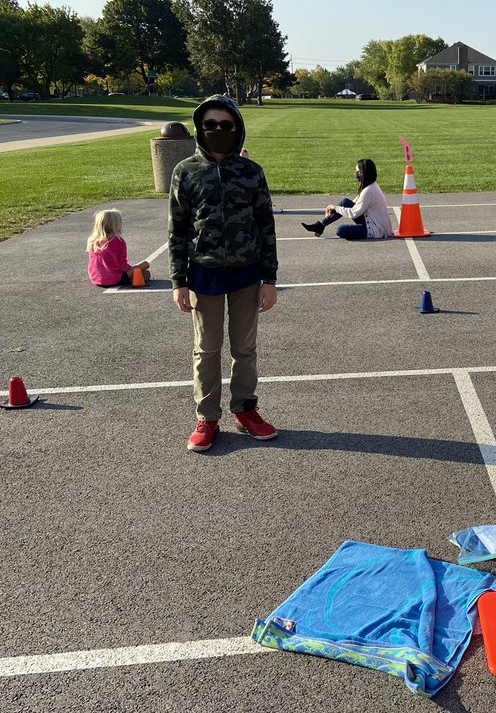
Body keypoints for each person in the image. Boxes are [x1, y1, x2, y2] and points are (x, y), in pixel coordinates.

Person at [168, 95, 279, 453]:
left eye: (226, 125)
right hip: (204, 275)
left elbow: (265, 226)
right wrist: (178, 281)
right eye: (211, 125)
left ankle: (245, 409)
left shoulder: (251, 172)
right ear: (200, 128)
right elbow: (177, 229)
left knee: (244, 349)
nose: (218, 130)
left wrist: (270, 279)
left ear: (238, 129)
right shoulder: (186, 172)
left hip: (247, 275)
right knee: (206, 350)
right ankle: (207, 417)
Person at [302, 159, 393, 239]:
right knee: (344, 201)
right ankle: (320, 225)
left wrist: (335, 207)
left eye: (357, 171)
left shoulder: (369, 191)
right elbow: (355, 202)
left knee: (340, 230)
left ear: (362, 172)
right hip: (373, 223)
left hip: (376, 230)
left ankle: (320, 226)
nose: (355, 173)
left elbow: (353, 213)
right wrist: (333, 208)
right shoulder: (371, 186)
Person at [86, 209, 151, 287]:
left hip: (95, 279)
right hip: (114, 280)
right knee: (145, 264)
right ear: (116, 224)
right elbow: (123, 266)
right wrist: (133, 269)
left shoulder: (93, 240)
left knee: (137, 270)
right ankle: (133, 278)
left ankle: (134, 276)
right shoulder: (118, 241)